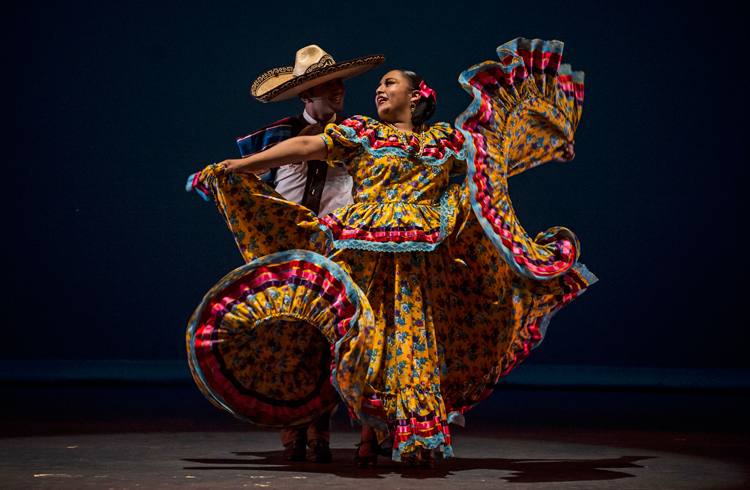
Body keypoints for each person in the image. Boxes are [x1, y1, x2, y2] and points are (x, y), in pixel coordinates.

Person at [186, 38, 596, 469]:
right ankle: (315, 427)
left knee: (411, 346)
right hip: (362, 256)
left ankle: (397, 437)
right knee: (363, 341)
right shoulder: (363, 132)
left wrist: (549, 146)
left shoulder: (444, 143)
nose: (379, 90)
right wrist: (242, 165)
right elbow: (308, 148)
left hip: (421, 264)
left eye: (389, 83)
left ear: (416, 95)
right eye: (379, 85)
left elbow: (494, 159)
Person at [190, 45, 384, 464]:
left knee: (333, 337)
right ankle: (294, 431)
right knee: (288, 334)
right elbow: (251, 180)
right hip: (288, 247)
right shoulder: (275, 136)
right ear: (306, 96)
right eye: (326, 86)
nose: (338, 91)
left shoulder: (361, 135)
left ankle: (323, 432)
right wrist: (223, 178)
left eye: (339, 84)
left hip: (340, 245)